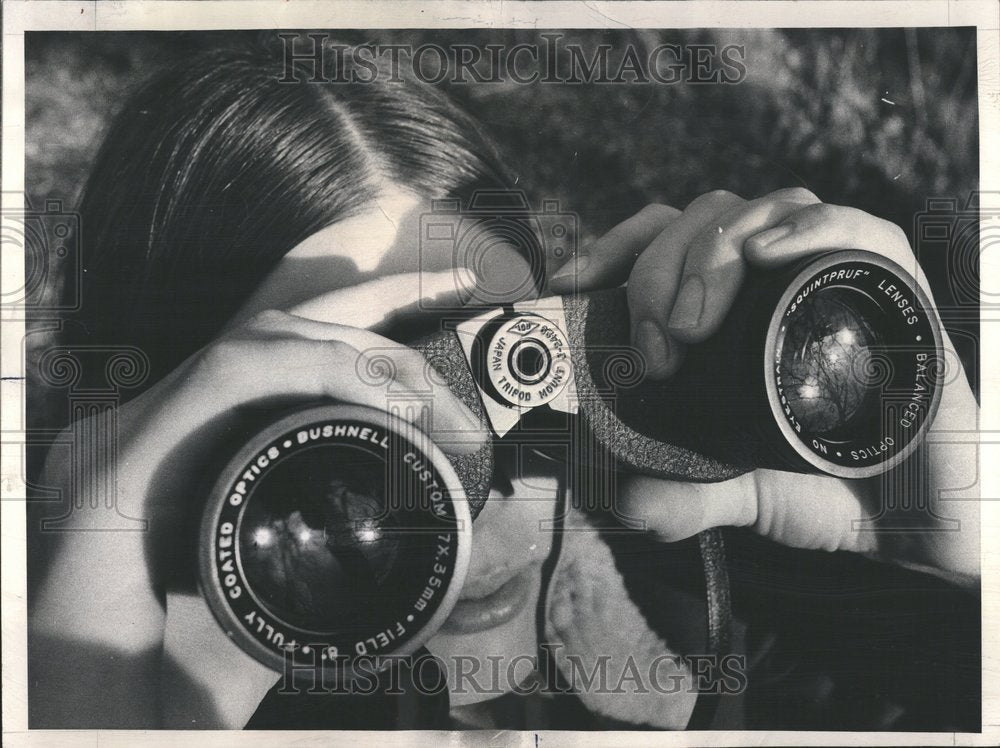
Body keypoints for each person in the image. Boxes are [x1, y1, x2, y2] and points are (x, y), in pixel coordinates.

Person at [27, 39, 979, 730]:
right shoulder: (87, 682)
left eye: (511, 369)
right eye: (352, 432)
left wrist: (944, 573)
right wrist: (106, 698)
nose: (477, 494)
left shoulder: (679, 593)